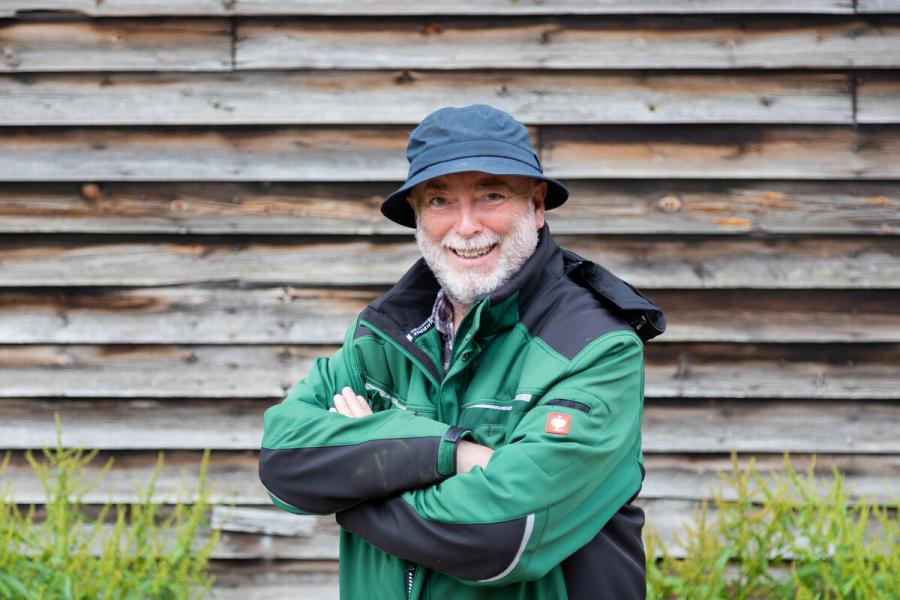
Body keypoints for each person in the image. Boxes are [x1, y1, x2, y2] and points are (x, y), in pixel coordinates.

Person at [259, 104, 666, 599]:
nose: (466, 225)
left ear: (536, 206)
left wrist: (353, 483)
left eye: (490, 195)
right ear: (416, 214)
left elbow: (502, 535)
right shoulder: (380, 335)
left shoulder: (595, 347)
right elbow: (283, 458)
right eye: (440, 201)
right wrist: (453, 454)